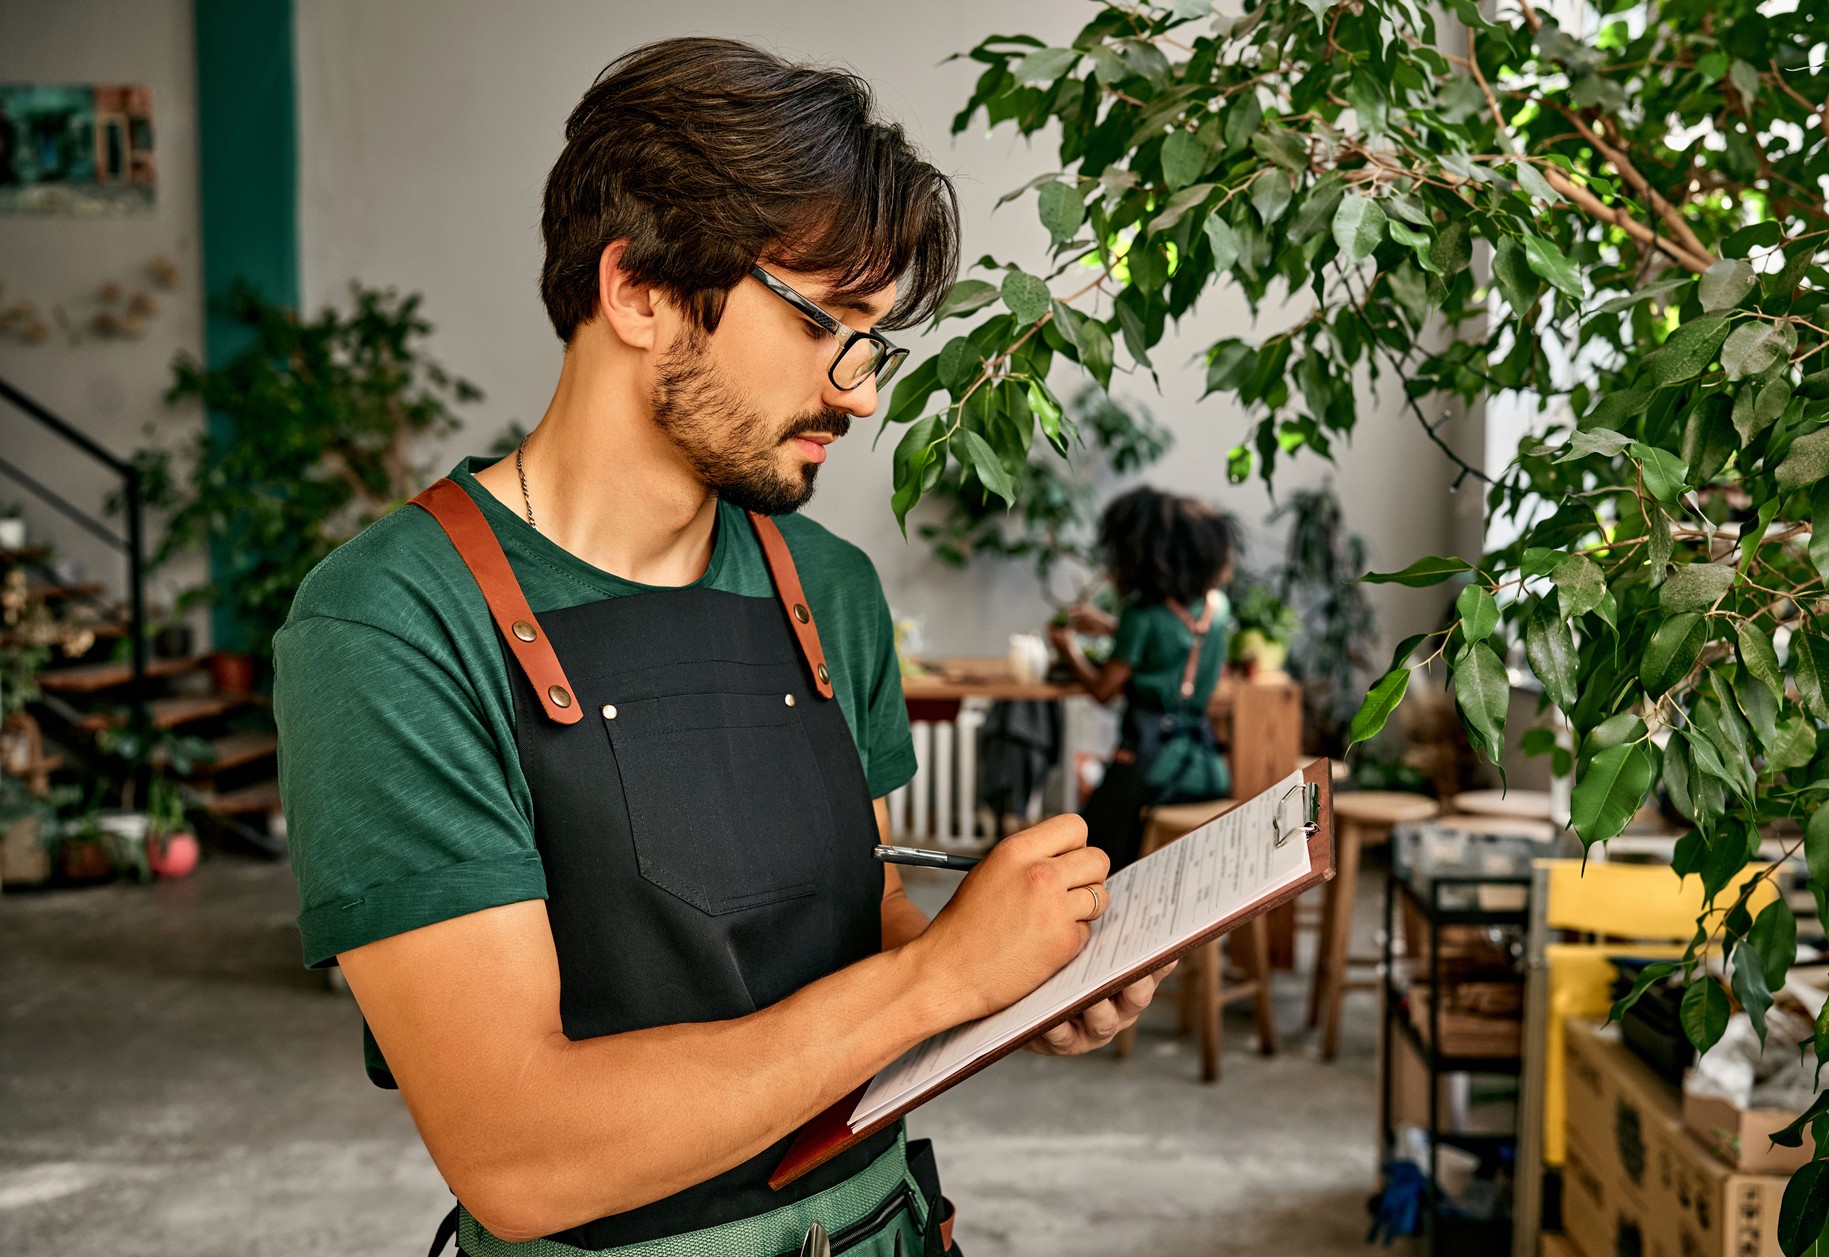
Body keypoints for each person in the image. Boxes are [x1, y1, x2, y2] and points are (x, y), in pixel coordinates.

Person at [274, 39, 1171, 1257]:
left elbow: (868, 919)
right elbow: (518, 1155)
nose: (859, 393)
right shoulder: (392, 626)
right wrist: (937, 982)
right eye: (826, 325)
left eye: (875, 340)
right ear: (638, 289)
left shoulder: (828, 590)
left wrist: (1028, 979)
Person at [1049, 487, 1241, 871]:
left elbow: (1104, 690)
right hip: (1207, 765)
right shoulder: (1217, 607)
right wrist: (1111, 628)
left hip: (1149, 766)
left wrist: (1066, 649)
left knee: (1086, 848)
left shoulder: (1142, 613)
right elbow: (1179, 642)